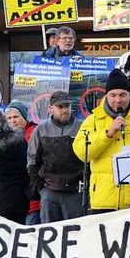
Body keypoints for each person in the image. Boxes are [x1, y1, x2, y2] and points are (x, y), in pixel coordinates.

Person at [72, 69, 130, 212]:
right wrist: (107, 134)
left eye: (123, 95)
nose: (118, 100)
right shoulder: (93, 120)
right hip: (104, 202)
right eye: (113, 95)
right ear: (106, 96)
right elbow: (81, 152)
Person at [27, 91, 85, 223]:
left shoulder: (83, 127)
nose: (64, 110)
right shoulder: (40, 130)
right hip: (49, 191)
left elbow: (91, 158)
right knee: (49, 234)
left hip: (76, 191)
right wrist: (41, 188)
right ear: (51, 108)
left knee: (75, 234)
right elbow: (32, 162)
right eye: (60, 107)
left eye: (67, 106)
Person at [5, 100, 41, 224]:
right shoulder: (6, 136)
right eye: (9, 118)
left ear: (24, 117)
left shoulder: (34, 132)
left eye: (16, 117)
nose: (12, 121)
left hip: (32, 196)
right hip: (14, 196)